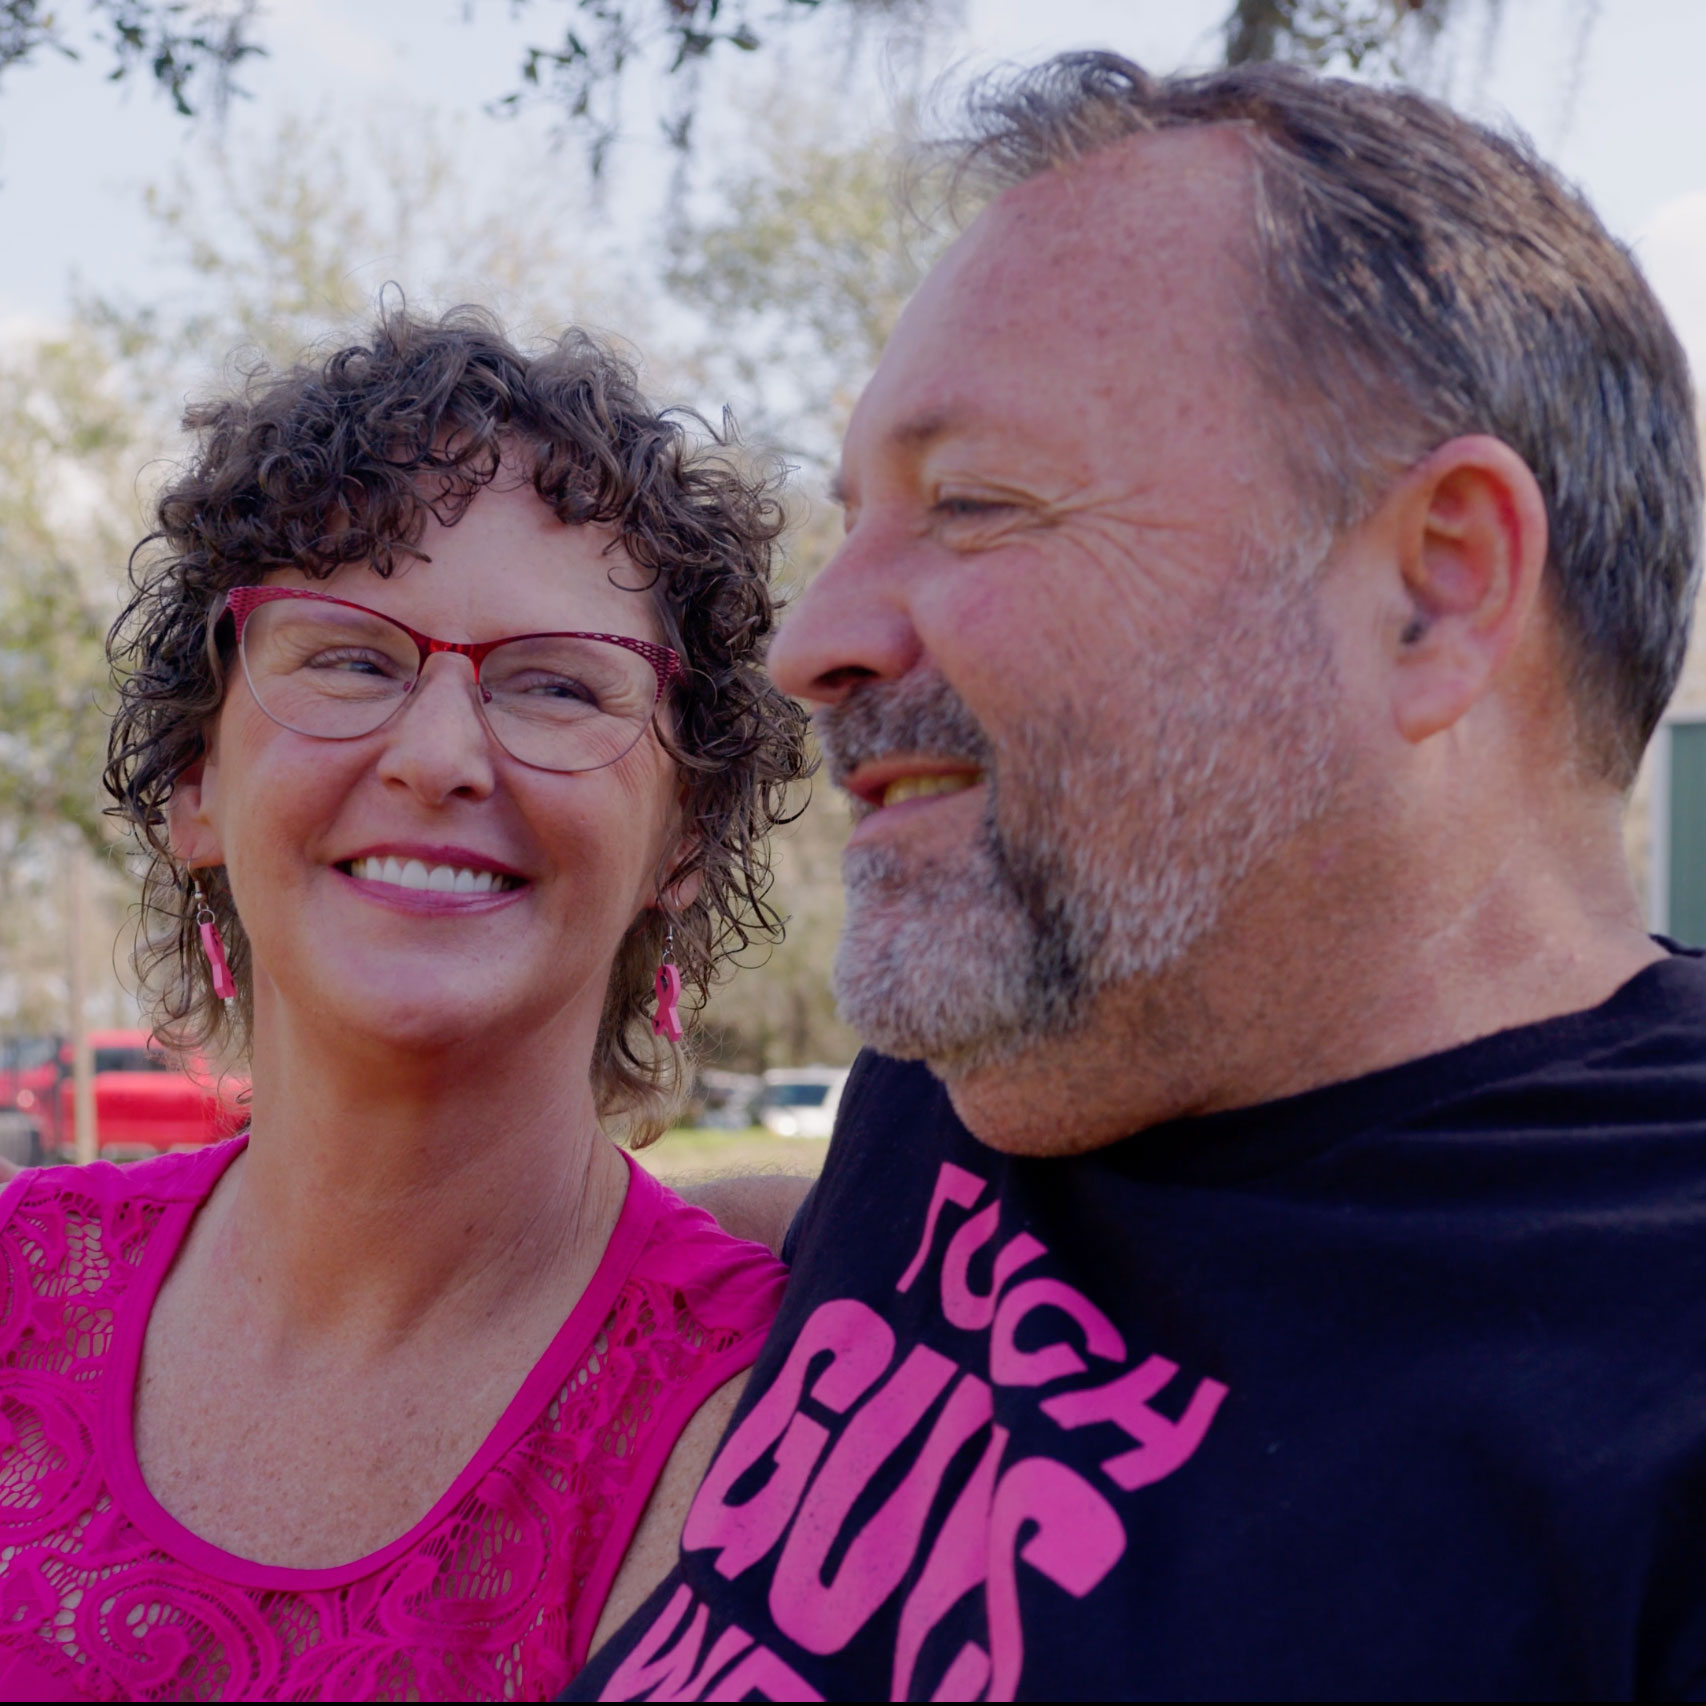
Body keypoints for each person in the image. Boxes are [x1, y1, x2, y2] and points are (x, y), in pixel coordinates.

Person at [570, 53, 1706, 1702]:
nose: (812, 639)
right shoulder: (1022, 1015)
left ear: (1437, 589)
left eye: (973, 502)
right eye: (854, 516)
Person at [0, 310, 808, 1700]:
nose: (438, 756)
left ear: (683, 836)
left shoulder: (786, 1421)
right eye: (350, 658)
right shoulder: (19, 1284)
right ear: (197, 783)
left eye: (555, 683)